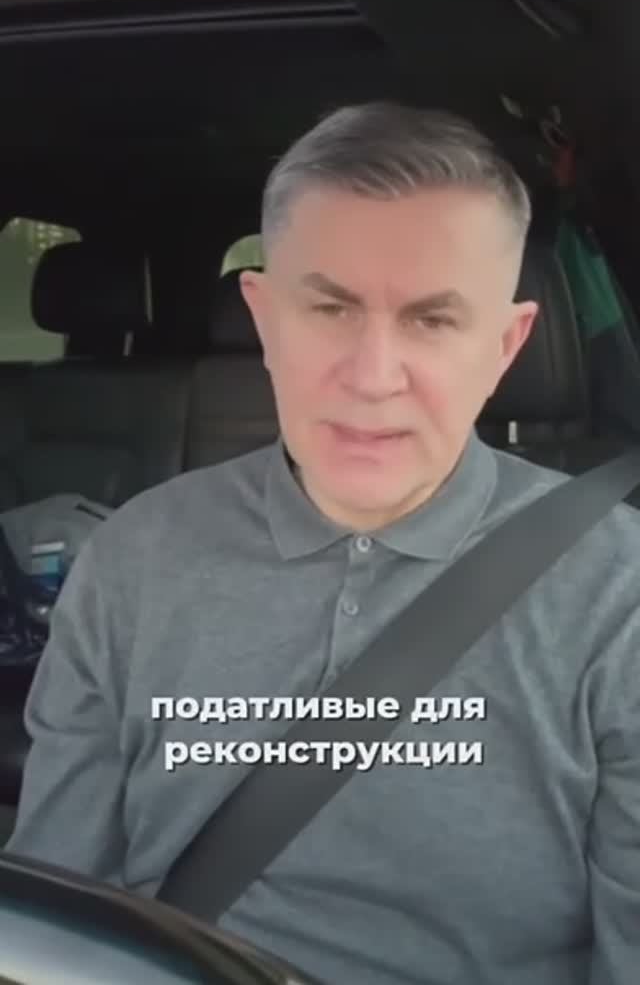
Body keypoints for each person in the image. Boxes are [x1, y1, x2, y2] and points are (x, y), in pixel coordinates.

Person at [5, 103, 640, 985]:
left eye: (432, 320)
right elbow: (56, 926)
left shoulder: (618, 590)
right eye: (331, 307)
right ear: (265, 319)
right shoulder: (132, 560)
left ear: (505, 345)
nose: (373, 377)